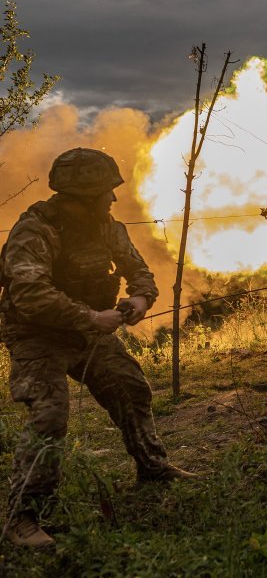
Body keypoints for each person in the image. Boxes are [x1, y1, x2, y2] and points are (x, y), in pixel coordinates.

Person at [0, 147, 195, 548]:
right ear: (81, 196)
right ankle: (22, 517)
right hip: (37, 335)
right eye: (106, 191)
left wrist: (139, 300)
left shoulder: (107, 227)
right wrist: (90, 318)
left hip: (88, 333)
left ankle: (152, 467)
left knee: (130, 387)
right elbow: (29, 294)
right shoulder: (35, 230)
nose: (113, 198)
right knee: (50, 416)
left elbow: (139, 271)